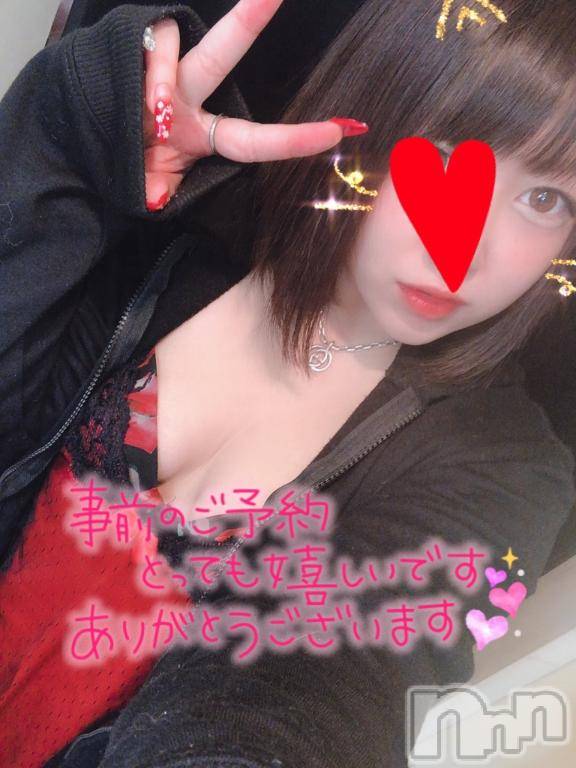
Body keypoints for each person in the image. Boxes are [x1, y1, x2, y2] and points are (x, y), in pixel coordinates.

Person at [1, 0, 575, 766]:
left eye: (545, 200)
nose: (463, 252)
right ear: (364, 115)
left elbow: (324, 686)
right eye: (441, 155)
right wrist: (71, 133)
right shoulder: (163, 240)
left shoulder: (501, 467)